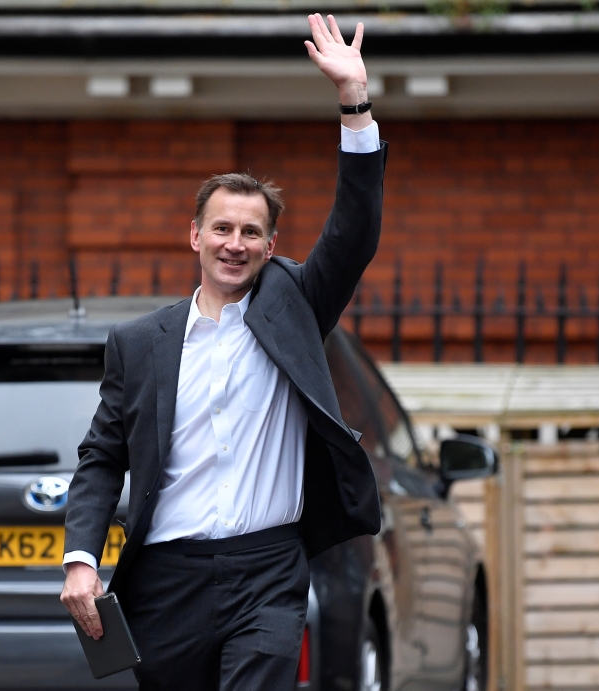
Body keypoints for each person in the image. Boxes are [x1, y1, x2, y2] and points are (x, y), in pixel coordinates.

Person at [60, 13, 386, 691]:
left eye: (252, 231)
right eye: (222, 228)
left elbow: (353, 232)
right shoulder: (140, 344)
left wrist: (354, 101)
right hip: (166, 580)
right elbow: (102, 458)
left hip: (268, 570)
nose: (235, 242)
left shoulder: (294, 304)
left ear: (270, 246)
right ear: (195, 237)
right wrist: (81, 558)